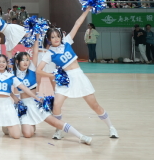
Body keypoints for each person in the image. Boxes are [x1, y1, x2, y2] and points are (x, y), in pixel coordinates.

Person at [37, 8, 119, 139]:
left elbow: (77, 24)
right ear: (48, 39)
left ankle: (111, 127)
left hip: (78, 76)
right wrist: (52, 75)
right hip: (65, 80)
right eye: (52, 37)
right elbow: (38, 70)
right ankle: (58, 129)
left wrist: (87, 10)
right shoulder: (49, 53)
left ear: (61, 36)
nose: (56, 39)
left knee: (94, 105)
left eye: (57, 36)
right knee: (56, 105)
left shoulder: (67, 41)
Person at [12, 43, 91, 144]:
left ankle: (81, 136)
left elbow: (35, 52)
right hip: (25, 107)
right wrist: (14, 98)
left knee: (55, 122)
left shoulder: (32, 69)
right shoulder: (13, 75)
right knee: (27, 134)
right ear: (17, 61)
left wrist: (36, 37)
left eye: (27, 59)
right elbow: (9, 89)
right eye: (23, 60)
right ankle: (31, 124)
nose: (26, 62)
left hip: (36, 103)